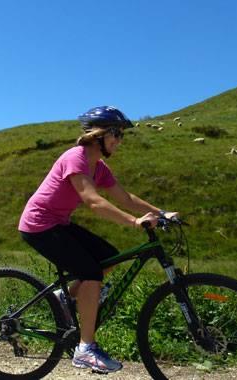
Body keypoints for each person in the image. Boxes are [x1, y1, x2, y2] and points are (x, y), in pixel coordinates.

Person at [18, 106, 177, 374]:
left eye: (121, 135)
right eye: (116, 134)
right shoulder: (76, 157)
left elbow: (125, 198)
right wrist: (134, 222)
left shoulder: (99, 166)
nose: (119, 140)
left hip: (58, 223)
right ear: (99, 134)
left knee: (107, 256)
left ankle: (65, 299)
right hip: (39, 225)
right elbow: (93, 201)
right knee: (91, 273)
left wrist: (161, 213)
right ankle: (85, 349)